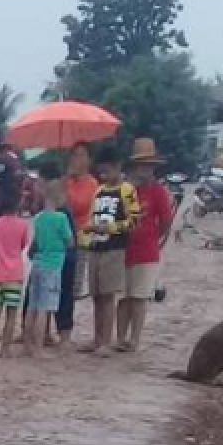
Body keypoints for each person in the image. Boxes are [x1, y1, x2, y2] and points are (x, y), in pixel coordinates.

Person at [116, 136, 176, 354]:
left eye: (148, 166)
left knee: (139, 297)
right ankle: (120, 337)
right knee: (123, 298)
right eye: (141, 166)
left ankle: (134, 340)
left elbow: (166, 219)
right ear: (134, 167)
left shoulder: (158, 191)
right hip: (123, 249)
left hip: (146, 251)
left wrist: (156, 237)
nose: (145, 171)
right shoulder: (124, 189)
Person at [81, 147, 140, 352]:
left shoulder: (127, 190)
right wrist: (88, 231)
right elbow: (92, 215)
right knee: (96, 295)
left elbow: (134, 221)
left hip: (114, 248)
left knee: (107, 296)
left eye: (107, 171)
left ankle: (105, 341)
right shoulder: (99, 190)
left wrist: (111, 228)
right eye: (101, 172)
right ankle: (97, 338)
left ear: (117, 167)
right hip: (96, 246)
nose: (104, 175)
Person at [24, 177, 74, 352]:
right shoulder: (61, 218)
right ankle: (38, 348)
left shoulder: (38, 218)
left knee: (32, 306)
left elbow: (35, 243)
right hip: (53, 266)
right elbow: (70, 242)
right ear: (60, 197)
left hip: (37, 264)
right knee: (45, 309)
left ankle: (27, 345)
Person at [0, 178, 30, 358]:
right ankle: (5, 349)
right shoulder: (22, 225)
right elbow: (23, 246)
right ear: (18, 202)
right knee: (11, 314)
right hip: (14, 274)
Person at [59, 140, 97, 345]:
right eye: (75, 154)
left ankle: (65, 328)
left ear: (89, 159)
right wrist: (65, 181)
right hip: (58, 239)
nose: (78, 159)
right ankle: (47, 327)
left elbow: (82, 207)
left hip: (80, 239)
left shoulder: (92, 184)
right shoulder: (64, 181)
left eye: (82, 155)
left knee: (72, 287)